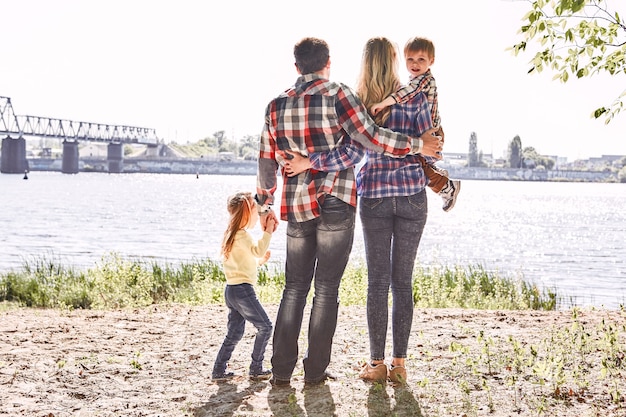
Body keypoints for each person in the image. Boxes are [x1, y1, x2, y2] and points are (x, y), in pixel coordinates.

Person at [255, 37, 442, 387]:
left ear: (297, 67)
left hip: (297, 203)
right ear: (328, 62)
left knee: (293, 287)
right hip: (337, 199)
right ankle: (315, 372)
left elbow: (265, 160)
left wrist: (264, 204)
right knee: (326, 288)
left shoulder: (275, 106)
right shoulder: (339, 95)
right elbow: (368, 139)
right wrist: (418, 145)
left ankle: (280, 370)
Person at [370, 36, 461, 212]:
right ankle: (444, 183)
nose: (415, 64)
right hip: (427, 129)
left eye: (421, 59)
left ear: (431, 61)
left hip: (431, 131)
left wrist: (382, 104)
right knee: (419, 162)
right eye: (410, 59)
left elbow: (406, 93)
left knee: (418, 161)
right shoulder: (415, 79)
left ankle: (448, 187)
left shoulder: (424, 80)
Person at [211, 191, 276, 381]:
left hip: (231, 289)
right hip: (243, 290)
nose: (257, 213)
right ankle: (256, 368)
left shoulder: (231, 235)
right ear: (246, 213)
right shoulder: (243, 235)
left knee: (234, 333)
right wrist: (268, 232)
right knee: (265, 326)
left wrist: (259, 262)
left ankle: (219, 370)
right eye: (254, 210)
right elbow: (258, 249)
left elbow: (242, 262)